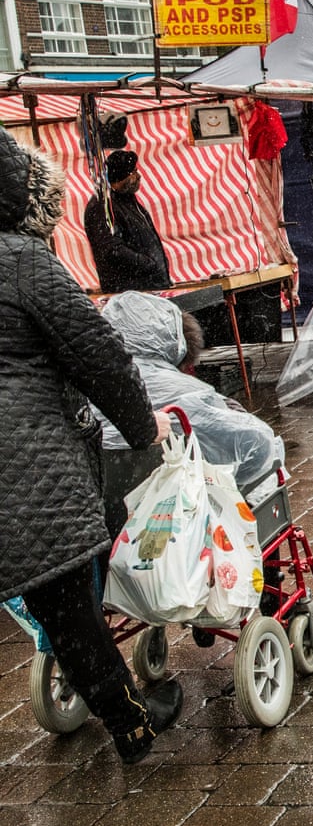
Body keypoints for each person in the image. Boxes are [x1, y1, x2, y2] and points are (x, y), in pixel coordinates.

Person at [0, 126, 181, 765]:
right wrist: (143, 428)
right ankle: (131, 721)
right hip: (28, 470)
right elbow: (99, 355)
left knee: (60, 603)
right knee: (69, 601)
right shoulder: (21, 260)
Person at [97, 290, 284, 491]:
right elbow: (257, 447)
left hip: (104, 507)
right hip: (183, 508)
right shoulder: (189, 394)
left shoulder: (83, 386)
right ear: (173, 338)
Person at [83, 149, 170, 293]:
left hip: (148, 288)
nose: (138, 176)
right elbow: (112, 250)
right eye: (133, 172)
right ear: (120, 177)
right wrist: (149, 264)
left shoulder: (128, 201)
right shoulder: (102, 206)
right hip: (130, 292)